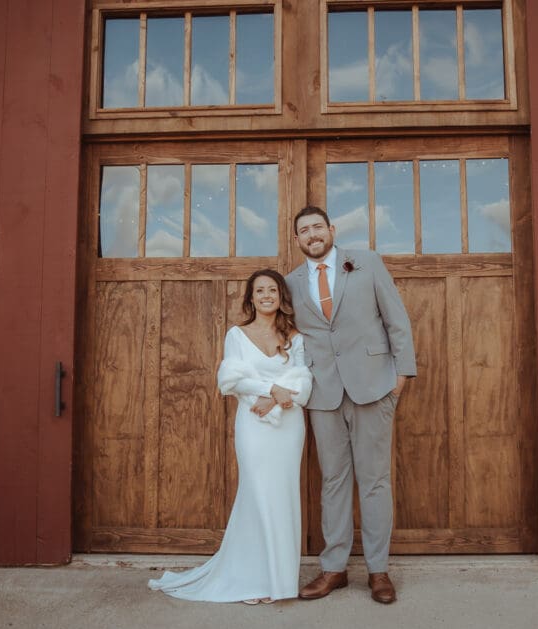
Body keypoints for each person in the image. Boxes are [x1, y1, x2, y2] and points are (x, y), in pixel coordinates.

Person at [147, 269, 312, 604]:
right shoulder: (237, 335)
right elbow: (230, 379)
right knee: (256, 495)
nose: (266, 296)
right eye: (259, 291)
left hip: (288, 427)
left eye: (272, 290)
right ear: (251, 298)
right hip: (253, 425)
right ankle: (250, 579)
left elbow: (303, 380)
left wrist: (278, 398)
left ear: (281, 296)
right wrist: (271, 389)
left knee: (283, 498)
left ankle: (279, 582)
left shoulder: (295, 337)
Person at [285, 205, 416, 604]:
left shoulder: (366, 262)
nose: (312, 235)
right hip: (323, 394)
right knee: (333, 481)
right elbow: (288, 337)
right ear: (297, 239)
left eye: (318, 227)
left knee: (375, 481)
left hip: (373, 387)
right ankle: (334, 569)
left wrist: (401, 376)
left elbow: (396, 319)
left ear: (331, 229)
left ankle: (378, 571)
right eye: (304, 230)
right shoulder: (290, 283)